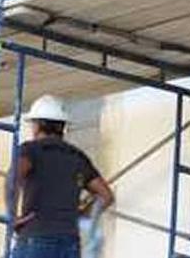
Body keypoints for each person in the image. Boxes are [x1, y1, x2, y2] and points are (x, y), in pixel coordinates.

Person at [7, 95, 115, 258]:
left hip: (37, 237)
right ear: (63, 126)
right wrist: (81, 215)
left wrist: (12, 215)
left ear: (37, 125)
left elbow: (13, 179)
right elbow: (106, 196)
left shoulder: (31, 150)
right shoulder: (77, 157)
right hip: (70, 243)